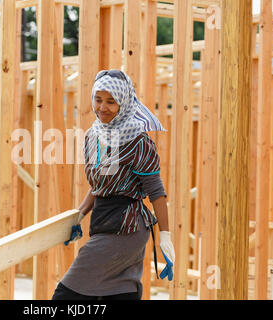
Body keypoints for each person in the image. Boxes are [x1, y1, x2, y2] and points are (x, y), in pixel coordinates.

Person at [52, 69, 175, 300]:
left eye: (111, 101)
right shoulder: (93, 135)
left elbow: (156, 193)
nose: (102, 107)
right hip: (103, 220)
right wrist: (79, 215)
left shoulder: (139, 141)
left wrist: (165, 237)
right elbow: (100, 184)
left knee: (64, 296)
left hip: (127, 227)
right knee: (117, 293)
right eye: (98, 100)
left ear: (124, 102)